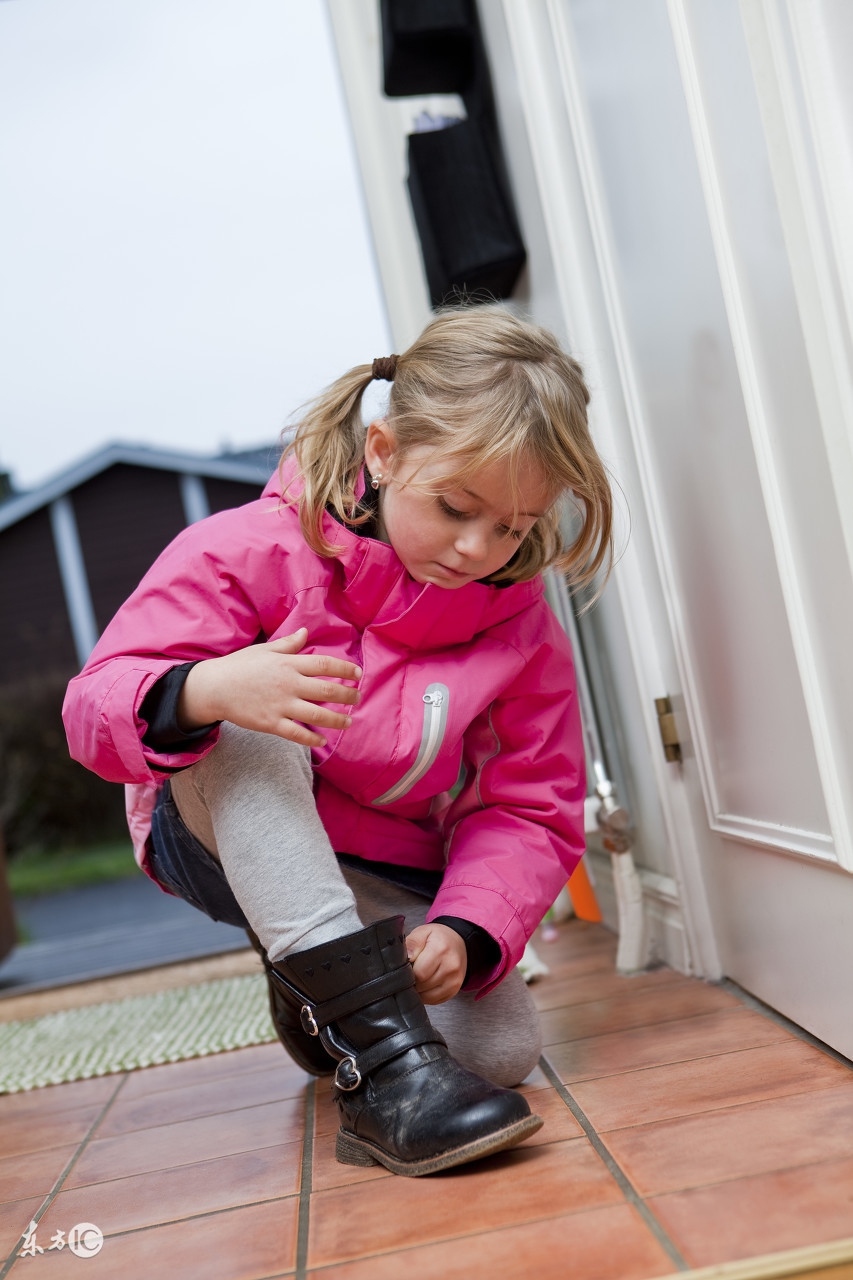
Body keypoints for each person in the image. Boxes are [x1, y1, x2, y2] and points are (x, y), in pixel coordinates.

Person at [63, 306, 612, 1178]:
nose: (479, 548)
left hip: (380, 869)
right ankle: (383, 1078)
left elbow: (527, 805)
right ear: (385, 453)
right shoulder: (245, 549)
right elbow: (90, 711)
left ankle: (321, 991)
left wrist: (468, 932)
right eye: (456, 508)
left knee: (499, 1049)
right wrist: (205, 689)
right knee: (249, 718)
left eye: (512, 526)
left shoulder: (518, 625)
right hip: (217, 830)